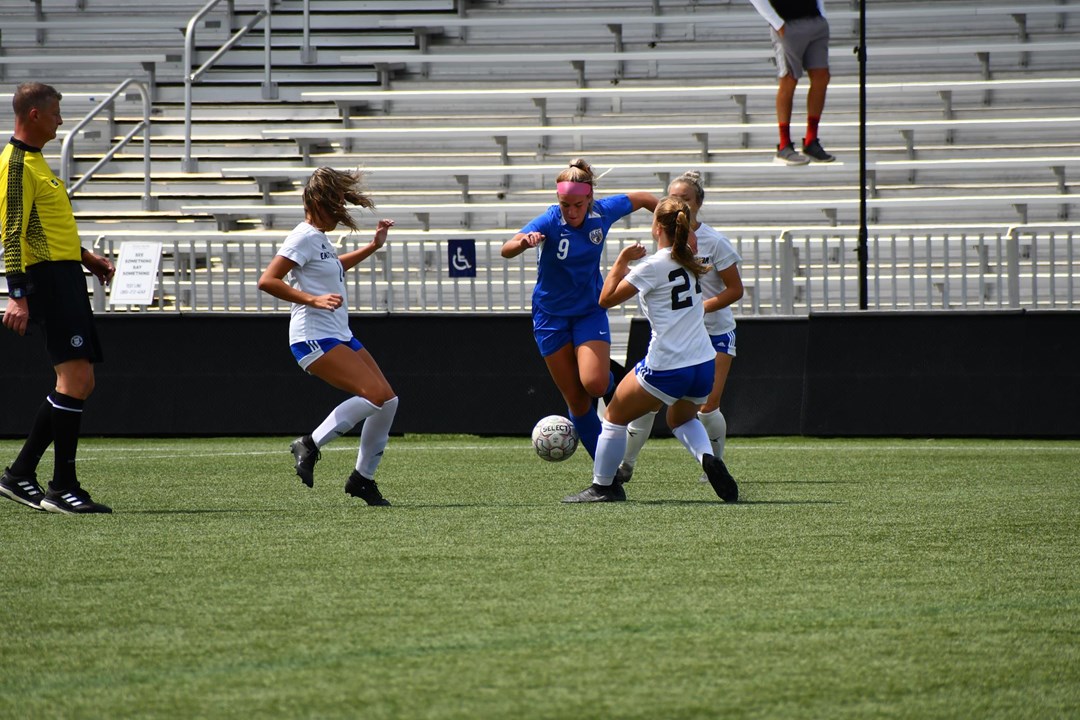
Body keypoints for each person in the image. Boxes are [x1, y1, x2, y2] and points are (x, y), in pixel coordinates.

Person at [562, 196, 738, 503]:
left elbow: (605, 299)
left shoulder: (652, 266)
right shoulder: (692, 260)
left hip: (668, 363)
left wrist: (621, 261)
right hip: (703, 363)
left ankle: (603, 487)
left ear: (657, 227)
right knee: (681, 420)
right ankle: (709, 457)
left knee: (615, 416)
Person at [0, 82, 116, 515]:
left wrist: (86, 257)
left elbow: (42, 226)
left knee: (80, 382)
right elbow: (11, 235)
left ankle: (20, 474)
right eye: (55, 113)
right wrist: (17, 296)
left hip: (64, 275)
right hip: (47, 281)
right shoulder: (15, 165)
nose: (61, 121)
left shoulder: (36, 162)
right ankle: (61, 487)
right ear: (33, 114)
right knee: (75, 381)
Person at [257, 167, 397, 506]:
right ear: (317, 203)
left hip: (338, 333)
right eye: (335, 205)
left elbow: (334, 267)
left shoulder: (319, 239)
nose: (340, 213)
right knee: (375, 394)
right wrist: (313, 299)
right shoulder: (302, 236)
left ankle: (362, 479)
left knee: (388, 400)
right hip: (312, 336)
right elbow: (268, 280)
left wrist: (372, 247)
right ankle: (309, 443)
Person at [501, 159, 656, 460]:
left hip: (589, 311)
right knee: (576, 398)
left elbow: (645, 199)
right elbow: (506, 248)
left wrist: (667, 224)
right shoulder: (549, 220)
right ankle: (607, 471)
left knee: (595, 384)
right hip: (550, 317)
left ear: (589, 199)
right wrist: (523, 242)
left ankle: (618, 381)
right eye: (564, 205)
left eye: (577, 205)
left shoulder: (604, 212)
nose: (570, 212)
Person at [614, 171, 744, 485]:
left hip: (713, 333)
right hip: (677, 338)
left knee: (707, 407)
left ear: (698, 203)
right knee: (649, 407)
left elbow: (735, 289)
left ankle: (713, 465)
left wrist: (700, 309)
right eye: (674, 197)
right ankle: (626, 466)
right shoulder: (666, 238)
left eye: (686, 198)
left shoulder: (713, 242)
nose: (680, 202)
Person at [749, 0, 835, 165]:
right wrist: (777, 23)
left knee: (821, 76)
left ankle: (811, 140)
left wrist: (822, 13)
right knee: (788, 79)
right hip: (787, 23)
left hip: (814, 20)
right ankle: (784, 144)